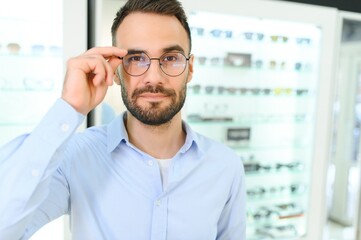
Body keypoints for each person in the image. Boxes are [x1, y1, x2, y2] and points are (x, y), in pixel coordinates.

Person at [0, 0, 246, 239]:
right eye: (136, 58)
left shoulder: (226, 166)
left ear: (190, 69)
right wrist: (69, 106)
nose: (153, 77)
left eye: (170, 58)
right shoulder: (76, 157)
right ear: (116, 71)